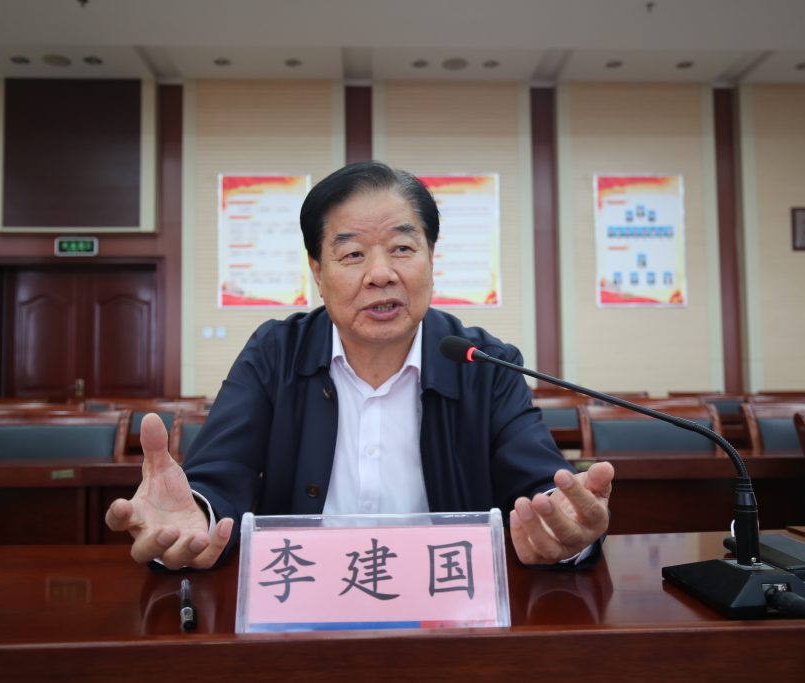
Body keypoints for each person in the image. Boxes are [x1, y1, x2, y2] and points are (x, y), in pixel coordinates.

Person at [106, 161, 614, 570]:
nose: (381, 274)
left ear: (431, 258)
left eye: (402, 248)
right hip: (303, 600)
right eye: (352, 254)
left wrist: (568, 530)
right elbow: (220, 473)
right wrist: (194, 515)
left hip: (449, 607)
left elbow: (540, 490)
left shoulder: (485, 363)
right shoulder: (275, 353)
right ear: (317, 272)